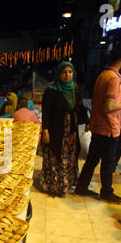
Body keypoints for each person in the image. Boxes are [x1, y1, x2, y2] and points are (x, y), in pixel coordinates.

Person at [75, 42, 121, 204]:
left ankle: (81, 187)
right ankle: (107, 192)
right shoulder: (114, 78)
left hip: (98, 126)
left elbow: (104, 102)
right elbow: (109, 106)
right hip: (108, 128)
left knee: (92, 159)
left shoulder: (104, 75)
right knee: (108, 163)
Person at [39, 61, 89, 197]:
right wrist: (45, 130)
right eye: (64, 72)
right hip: (56, 129)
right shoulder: (51, 91)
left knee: (69, 156)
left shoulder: (75, 88)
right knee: (56, 155)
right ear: (58, 74)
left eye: (70, 72)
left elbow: (79, 105)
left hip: (70, 129)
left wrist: (88, 120)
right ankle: (55, 185)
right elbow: (46, 112)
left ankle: (67, 182)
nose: (67, 75)